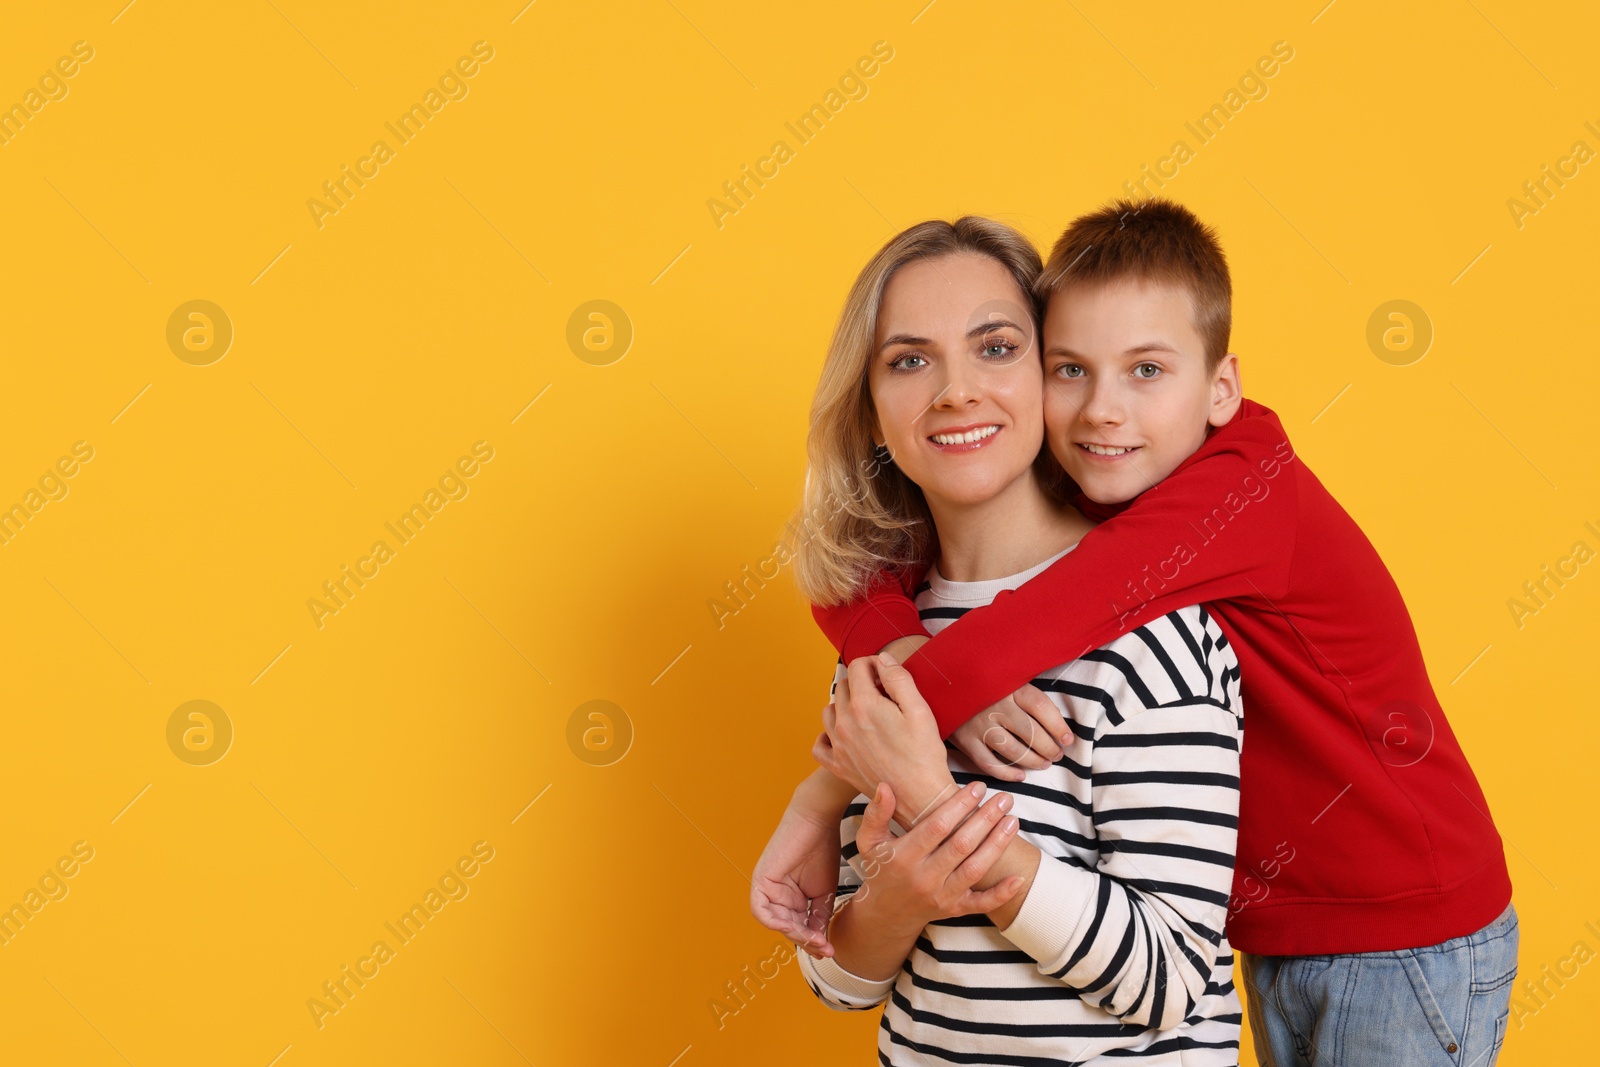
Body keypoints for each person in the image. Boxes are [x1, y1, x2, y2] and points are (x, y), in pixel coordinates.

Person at [758, 199, 1518, 1065]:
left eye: (1147, 370)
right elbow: (846, 581)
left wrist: (826, 793)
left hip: (1404, 918)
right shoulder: (1083, 505)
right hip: (1280, 914)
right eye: (1073, 370)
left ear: (1221, 387)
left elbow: (1039, 621)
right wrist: (898, 657)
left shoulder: (1225, 498)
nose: (1103, 412)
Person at [786, 216, 1246, 1065]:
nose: (955, 390)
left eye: (995, 347)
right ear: (872, 407)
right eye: (909, 359)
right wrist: (896, 901)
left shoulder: (1151, 626)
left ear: (1051, 374)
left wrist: (938, 807)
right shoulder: (883, 647)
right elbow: (839, 980)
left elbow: (1170, 980)